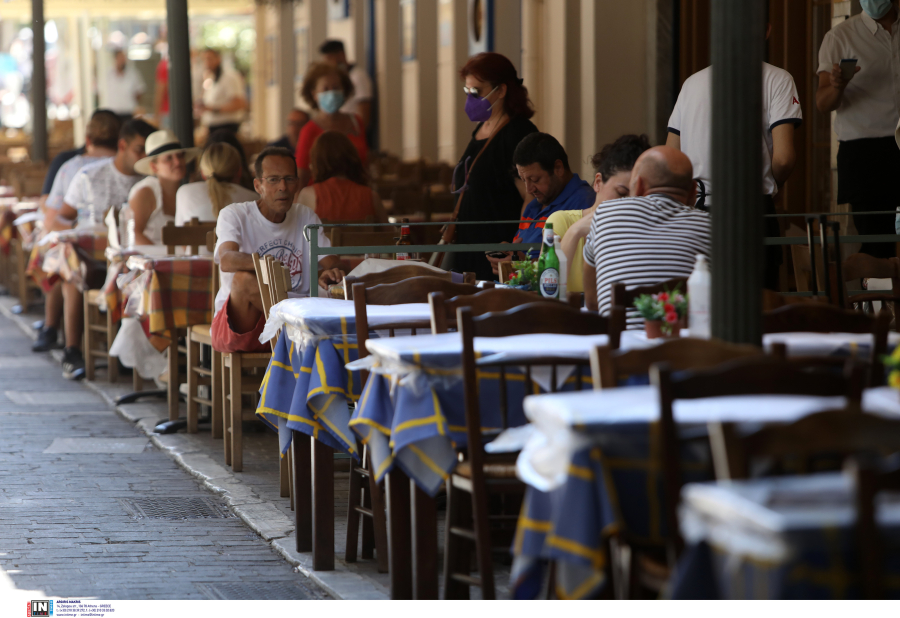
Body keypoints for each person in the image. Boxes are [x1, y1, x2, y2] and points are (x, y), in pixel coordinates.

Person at [668, 24, 801, 289]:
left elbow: (670, 157)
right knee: (757, 310)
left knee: (703, 306)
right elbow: (784, 158)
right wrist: (773, 183)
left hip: (697, 213)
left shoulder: (691, 83)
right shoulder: (777, 78)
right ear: (767, 31)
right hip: (751, 209)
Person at [212, 147, 344, 353]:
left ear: (297, 185)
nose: (282, 187)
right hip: (243, 326)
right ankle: (302, 335)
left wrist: (332, 271)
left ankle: (299, 335)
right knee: (242, 280)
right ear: (258, 185)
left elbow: (331, 261)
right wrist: (267, 265)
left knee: (344, 288)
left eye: (289, 179)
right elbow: (227, 259)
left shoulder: (305, 216)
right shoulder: (234, 214)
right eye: (273, 180)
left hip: (295, 323)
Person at [57, 119, 155, 380]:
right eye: (139, 149)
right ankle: (72, 349)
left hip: (130, 257)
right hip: (93, 256)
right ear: (122, 145)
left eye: (149, 152)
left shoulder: (150, 181)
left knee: (139, 271)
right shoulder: (89, 175)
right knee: (73, 268)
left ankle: (132, 353)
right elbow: (63, 216)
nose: (145, 156)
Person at [582, 146, 711, 323]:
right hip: (686, 348)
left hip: (621, 346)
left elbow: (591, 301)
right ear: (693, 191)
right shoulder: (711, 226)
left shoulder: (605, 213)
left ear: (639, 185)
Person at [32, 110, 122, 353]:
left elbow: (51, 215)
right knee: (68, 259)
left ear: (88, 138)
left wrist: (76, 229)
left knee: (66, 261)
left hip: (89, 256)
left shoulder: (72, 166)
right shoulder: (128, 170)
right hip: (121, 254)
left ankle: (59, 335)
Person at [817, 1, 900, 258]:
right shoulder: (840, 36)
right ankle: (875, 298)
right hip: (865, 152)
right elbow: (822, 102)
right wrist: (838, 85)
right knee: (877, 244)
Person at [449, 52, 539, 281]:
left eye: (476, 91)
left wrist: (517, 244)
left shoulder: (518, 133)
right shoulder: (481, 129)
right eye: (467, 91)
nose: (470, 98)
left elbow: (531, 195)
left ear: (501, 90)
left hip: (497, 254)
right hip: (468, 249)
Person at [546, 134, 652, 294]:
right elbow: (548, 288)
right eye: (621, 193)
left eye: (637, 198)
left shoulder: (640, 231)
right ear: (597, 183)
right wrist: (575, 232)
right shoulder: (562, 220)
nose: (628, 203)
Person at [486, 132, 594, 275]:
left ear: (558, 168)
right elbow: (520, 255)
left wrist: (524, 264)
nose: (529, 189)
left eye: (535, 179)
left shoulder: (584, 203)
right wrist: (508, 258)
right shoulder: (534, 206)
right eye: (524, 180)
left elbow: (578, 264)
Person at [120, 130, 199, 246]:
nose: (177, 162)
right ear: (154, 166)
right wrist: (161, 259)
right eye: (169, 158)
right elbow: (132, 234)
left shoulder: (187, 191)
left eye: (180, 155)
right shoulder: (145, 192)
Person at [296, 63, 368, 187]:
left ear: (344, 91)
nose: (332, 93)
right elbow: (301, 176)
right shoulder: (309, 130)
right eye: (326, 89)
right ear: (314, 94)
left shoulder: (356, 123)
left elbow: (365, 165)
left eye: (336, 88)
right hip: (320, 199)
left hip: (356, 194)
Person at [296, 131, 387, 224]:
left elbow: (296, 235)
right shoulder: (372, 197)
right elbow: (389, 236)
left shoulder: (308, 195)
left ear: (317, 162)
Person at [176, 142, 258, 226]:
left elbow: (178, 235)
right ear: (239, 172)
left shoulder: (185, 193)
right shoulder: (254, 200)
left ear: (203, 173)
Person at [319, 40, 373, 129]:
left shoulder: (358, 76)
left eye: (329, 58)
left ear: (341, 55)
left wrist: (358, 133)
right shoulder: (337, 77)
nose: (327, 64)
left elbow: (364, 110)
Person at [196, 48, 247, 136]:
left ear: (218, 59)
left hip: (226, 129)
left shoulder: (229, 77)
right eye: (204, 59)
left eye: (209, 58)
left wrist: (212, 109)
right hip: (212, 128)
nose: (206, 63)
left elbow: (239, 104)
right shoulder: (211, 79)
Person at [101, 50, 146, 121]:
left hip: (128, 112)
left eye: (124, 58)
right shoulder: (108, 74)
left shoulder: (133, 73)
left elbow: (139, 91)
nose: (122, 60)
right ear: (115, 59)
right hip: (113, 113)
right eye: (120, 58)